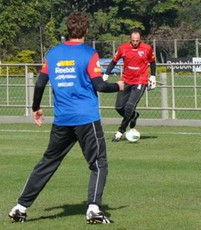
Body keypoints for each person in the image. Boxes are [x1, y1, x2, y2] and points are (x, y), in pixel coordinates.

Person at [8, 12, 124, 224]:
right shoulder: (89, 54)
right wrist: (119, 85)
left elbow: (40, 82)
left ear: (68, 30)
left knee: (48, 162)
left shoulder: (53, 53)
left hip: (62, 120)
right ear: (86, 30)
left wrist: (36, 107)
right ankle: (94, 208)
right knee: (99, 163)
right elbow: (100, 85)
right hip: (86, 119)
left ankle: (20, 206)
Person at [102, 28, 156, 142]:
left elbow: (152, 62)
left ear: (140, 38)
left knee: (129, 106)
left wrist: (153, 76)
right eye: (133, 40)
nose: (135, 42)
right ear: (130, 39)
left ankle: (120, 131)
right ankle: (133, 116)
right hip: (125, 81)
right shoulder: (123, 48)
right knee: (119, 107)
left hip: (140, 82)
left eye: (137, 40)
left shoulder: (147, 48)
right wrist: (106, 75)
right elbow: (114, 61)